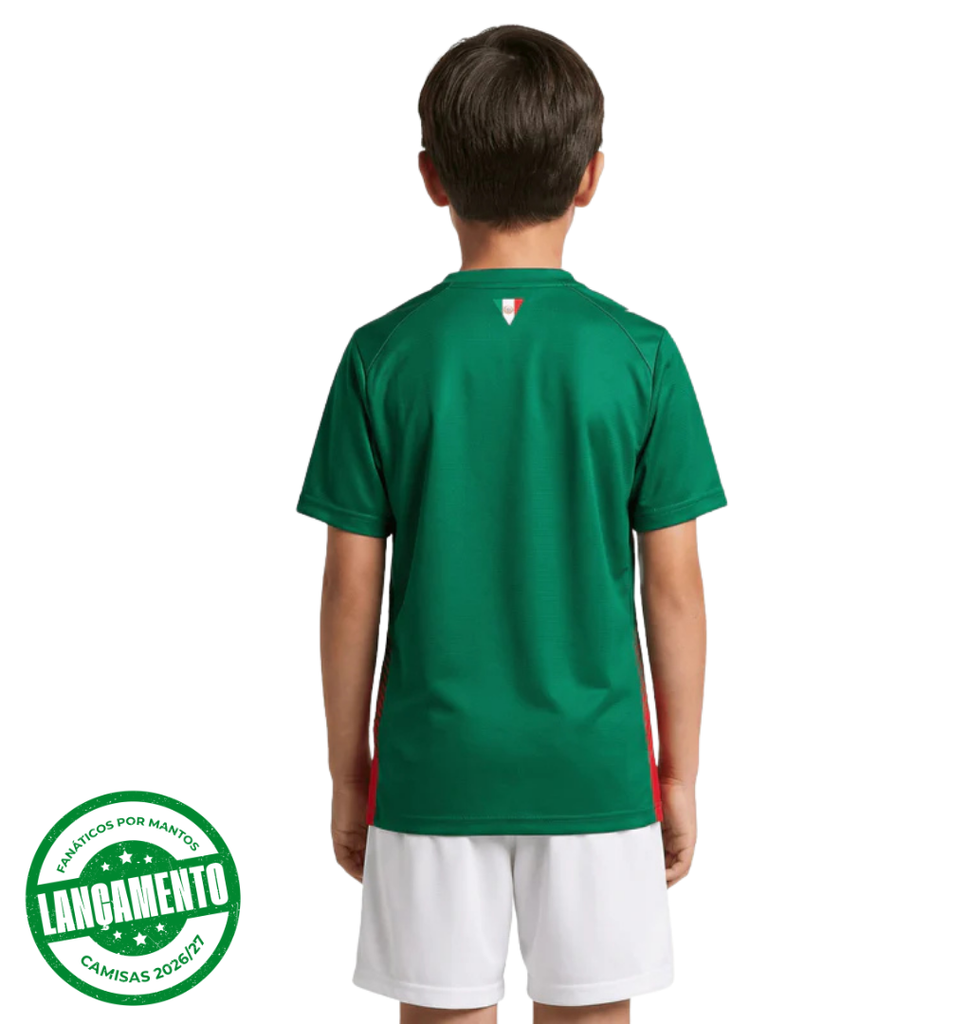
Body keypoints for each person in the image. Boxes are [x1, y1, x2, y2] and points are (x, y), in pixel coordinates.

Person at [297, 24, 727, 1024]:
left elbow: (351, 586)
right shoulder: (641, 355)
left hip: (430, 768)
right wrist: (679, 772)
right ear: (591, 177)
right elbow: (673, 587)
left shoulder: (381, 355)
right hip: (596, 768)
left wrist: (348, 773)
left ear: (430, 177)